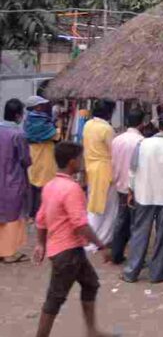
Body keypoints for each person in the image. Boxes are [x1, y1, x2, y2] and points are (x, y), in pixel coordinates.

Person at [33, 142, 113, 337]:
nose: (82, 161)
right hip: (67, 251)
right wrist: (102, 246)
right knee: (55, 298)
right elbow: (80, 224)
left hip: (64, 249)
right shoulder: (72, 188)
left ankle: (92, 331)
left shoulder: (50, 186)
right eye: (80, 158)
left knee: (90, 283)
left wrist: (41, 243)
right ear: (72, 162)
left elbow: (41, 220)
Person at [123, 112, 163, 284]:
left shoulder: (143, 143)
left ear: (159, 126)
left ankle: (131, 272)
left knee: (140, 233)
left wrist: (131, 189)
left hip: (144, 193)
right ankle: (157, 273)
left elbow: (133, 169)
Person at [109, 108, 145, 265]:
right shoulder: (141, 141)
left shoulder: (117, 139)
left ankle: (116, 253)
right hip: (135, 187)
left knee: (121, 219)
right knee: (136, 223)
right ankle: (134, 257)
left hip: (120, 184)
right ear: (142, 124)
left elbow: (113, 162)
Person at [83, 99, 117, 246]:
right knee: (107, 207)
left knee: (94, 204)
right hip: (105, 169)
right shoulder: (107, 129)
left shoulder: (88, 124)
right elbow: (113, 151)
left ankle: (94, 236)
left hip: (91, 167)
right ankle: (101, 238)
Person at [0, 98, 31, 263]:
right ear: (18, 115)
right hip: (13, 179)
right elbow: (25, 160)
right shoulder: (18, 135)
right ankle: (9, 252)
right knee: (13, 216)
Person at [24, 95, 57, 218]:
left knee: (34, 180)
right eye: (42, 105)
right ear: (37, 107)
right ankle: (43, 211)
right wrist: (57, 129)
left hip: (33, 152)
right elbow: (54, 135)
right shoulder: (41, 120)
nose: (44, 107)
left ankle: (33, 212)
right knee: (44, 182)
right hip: (43, 152)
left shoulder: (28, 120)